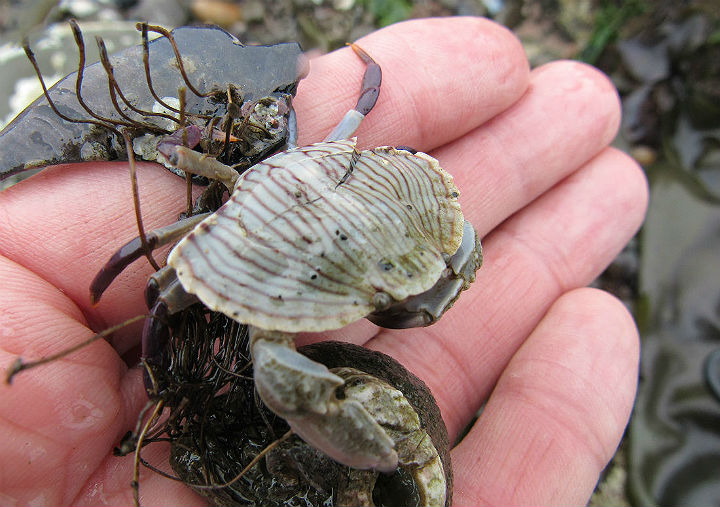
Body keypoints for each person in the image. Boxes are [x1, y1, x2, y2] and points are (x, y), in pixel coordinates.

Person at [0, 16, 647, 506]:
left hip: (312, 171)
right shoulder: (228, 207)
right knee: (169, 292)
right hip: (269, 195)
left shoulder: (319, 150)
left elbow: (370, 102)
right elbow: (151, 284)